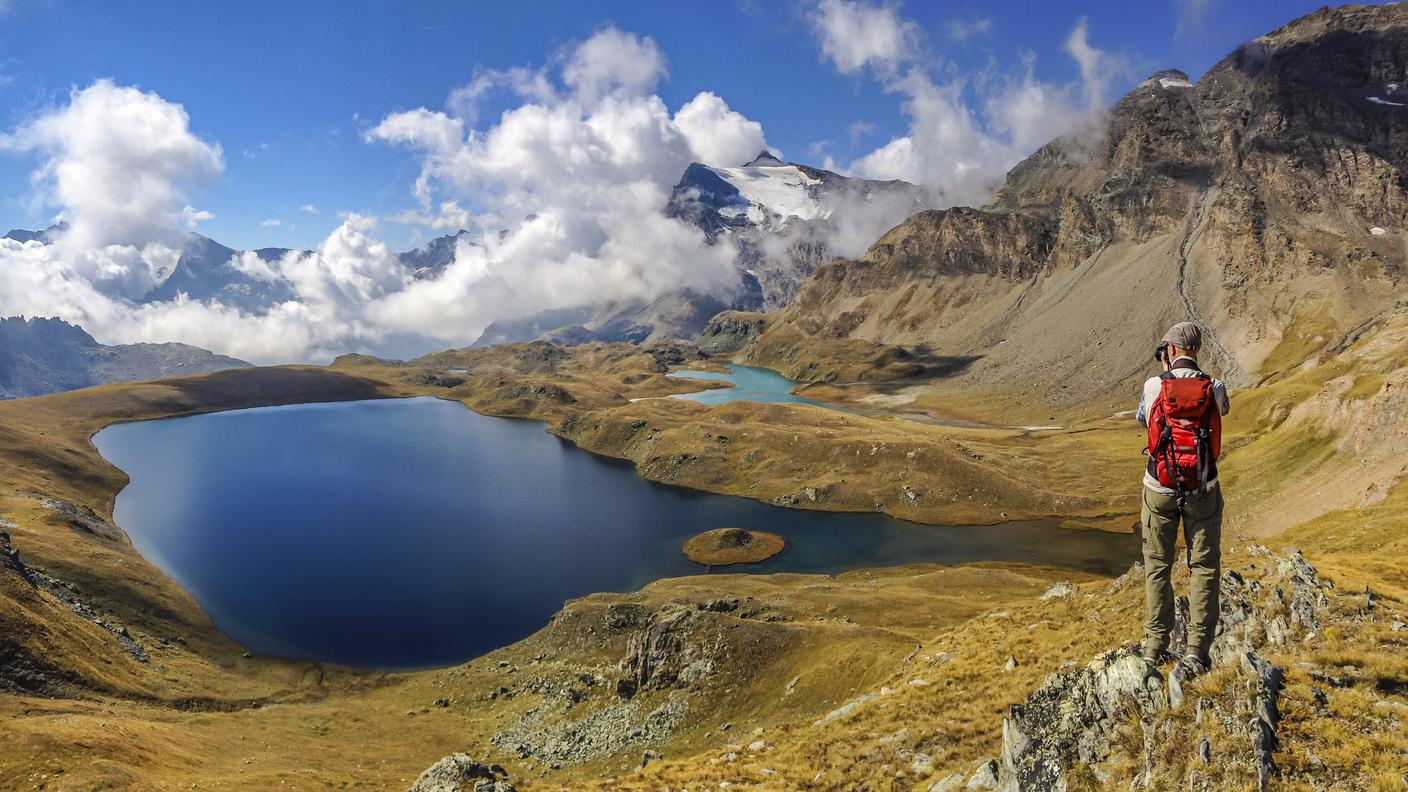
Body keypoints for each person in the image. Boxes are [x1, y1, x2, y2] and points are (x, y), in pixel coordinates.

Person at [1135, 321, 1230, 678]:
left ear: (1170, 351)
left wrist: (1165, 378)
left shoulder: (1154, 385)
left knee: (1158, 564)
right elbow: (1224, 412)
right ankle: (1196, 651)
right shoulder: (1214, 386)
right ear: (1197, 351)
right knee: (1203, 565)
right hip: (1203, 487)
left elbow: (1144, 419)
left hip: (1159, 486)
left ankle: (1155, 647)